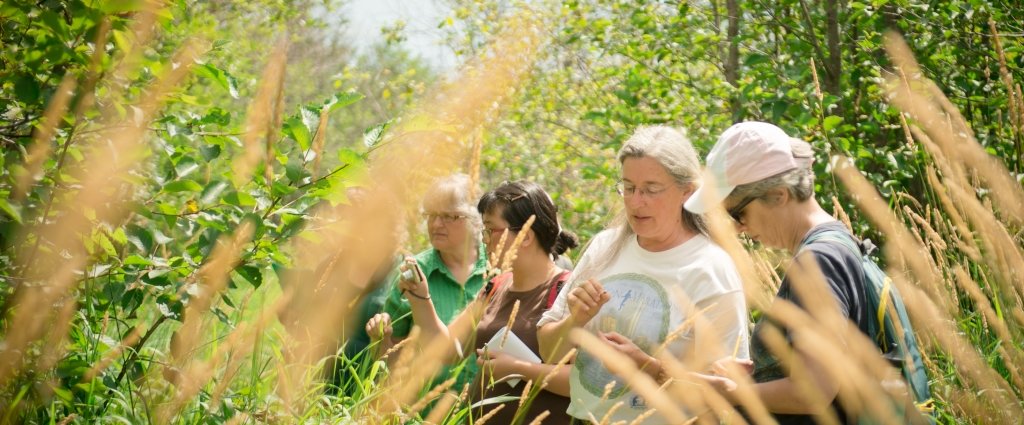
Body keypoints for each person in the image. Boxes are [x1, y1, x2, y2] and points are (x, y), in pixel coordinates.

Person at [683, 121, 931, 424]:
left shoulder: (818, 260)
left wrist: (733, 391)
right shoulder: (840, 244)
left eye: (737, 213)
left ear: (778, 194)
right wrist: (766, 369)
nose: (737, 228)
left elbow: (816, 388)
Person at [536, 126, 750, 424]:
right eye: (628, 187)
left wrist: (645, 366)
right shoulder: (605, 246)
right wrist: (575, 320)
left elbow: (725, 394)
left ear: (687, 191)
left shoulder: (711, 268)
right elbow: (548, 352)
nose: (636, 202)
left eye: (651, 189)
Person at [379, 181, 579, 423]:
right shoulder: (495, 286)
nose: (484, 240)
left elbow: (582, 381)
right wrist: (421, 298)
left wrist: (519, 368)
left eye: (490, 230)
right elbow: (447, 350)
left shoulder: (567, 292)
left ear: (525, 236)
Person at [366, 173, 489, 391]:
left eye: (449, 216)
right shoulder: (413, 274)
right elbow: (390, 364)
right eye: (431, 215)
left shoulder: (498, 269)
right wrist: (380, 340)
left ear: (476, 219)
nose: (436, 224)